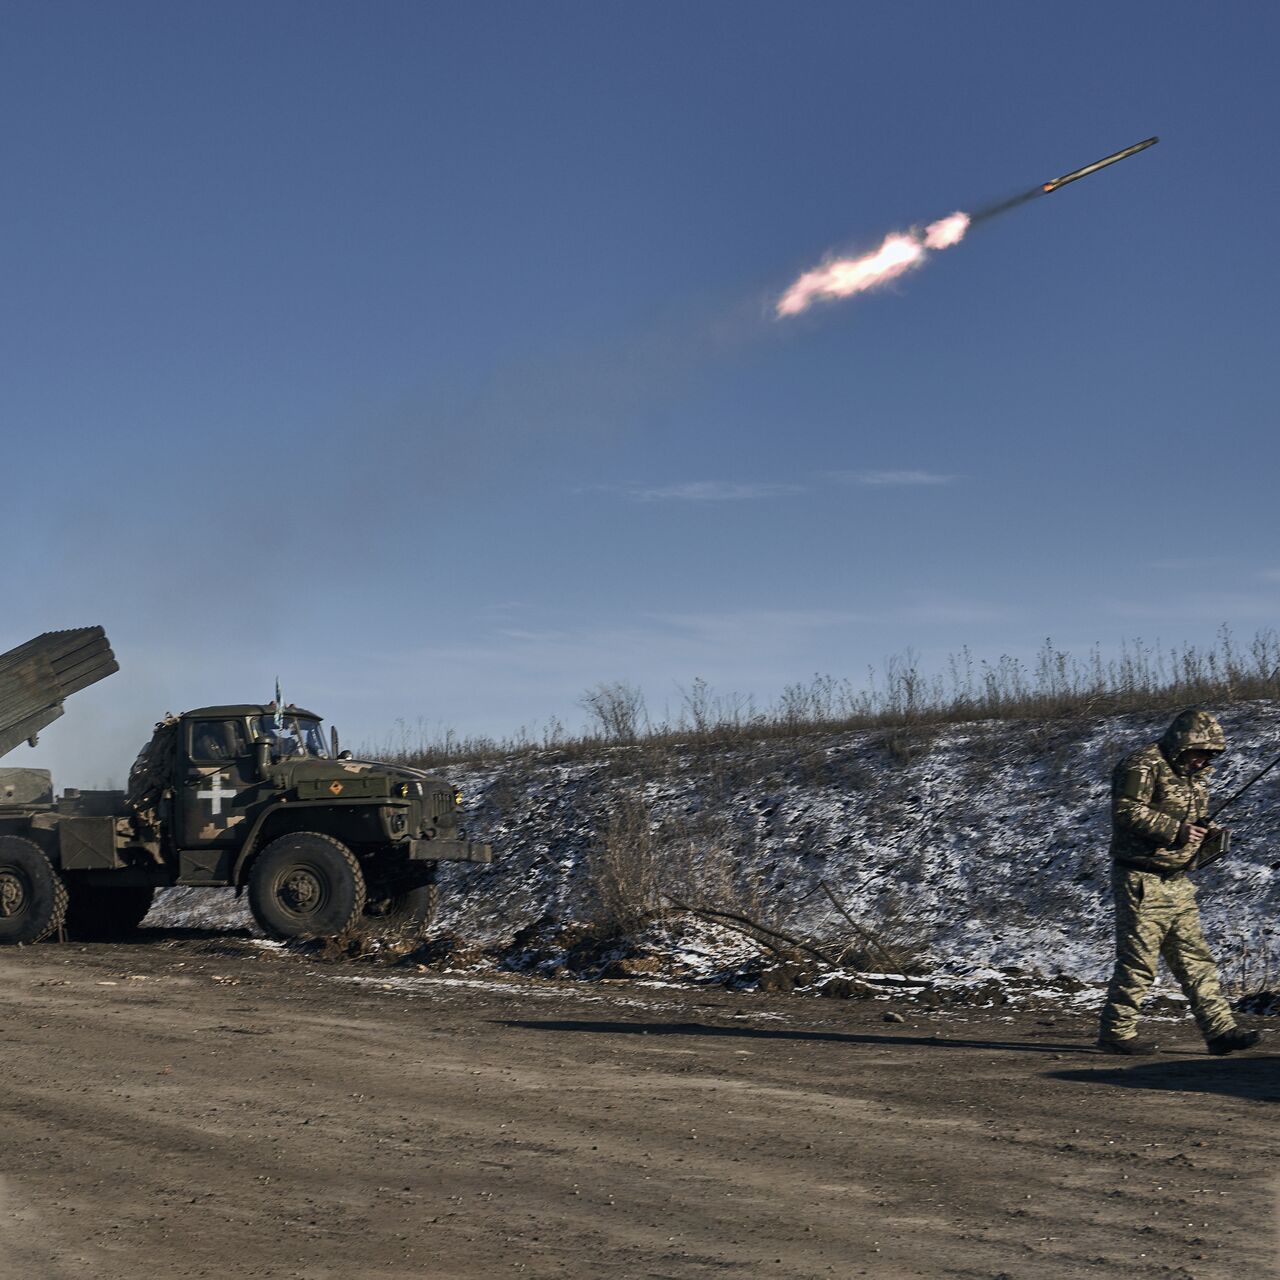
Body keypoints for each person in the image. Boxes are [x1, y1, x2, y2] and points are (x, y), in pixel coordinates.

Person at [1098, 708, 1261, 1056]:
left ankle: (1220, 1031)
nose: (1203, 762)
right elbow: (1126, 811)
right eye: (1200, 753)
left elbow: (1190, 817)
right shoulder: (1141, 764)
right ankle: (1116, 1032)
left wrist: (1207, 834)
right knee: (1139, 961)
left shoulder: (1194, 776)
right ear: (1182, 744)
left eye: (1210, 756)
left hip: (1178, 881)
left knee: (1195, 959)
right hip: (1141, 879)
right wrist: (1177, 830)